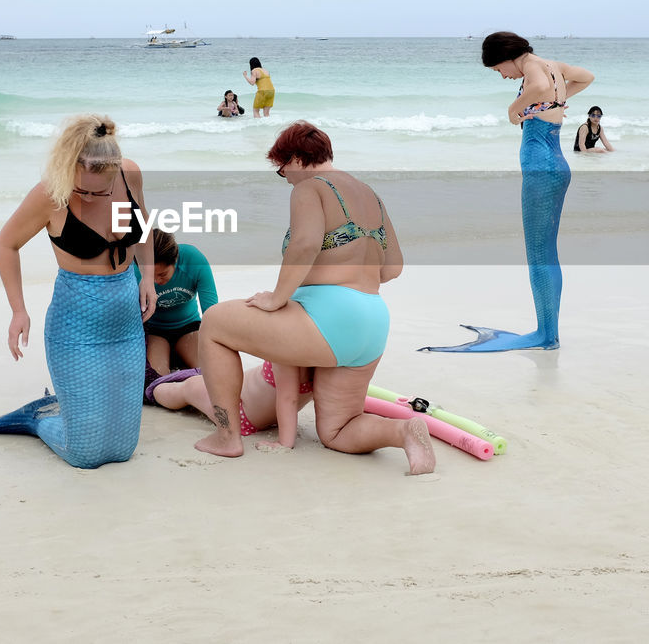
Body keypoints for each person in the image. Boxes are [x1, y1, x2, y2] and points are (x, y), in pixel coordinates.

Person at [0, 115, 157, 469]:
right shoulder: (50, 194)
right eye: (82, 190)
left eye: (99, 191)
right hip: (76, 329)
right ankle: (38, 419)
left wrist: (146, 277)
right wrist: (18, 310)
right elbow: (7, 244)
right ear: (70, 166)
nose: (89, 196)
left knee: (121, 449)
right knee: (86, 454)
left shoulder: (129, 174)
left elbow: (143, 227)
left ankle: (62, 411)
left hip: (125, 324)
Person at [191, 121, 434, 473]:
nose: (285, 176)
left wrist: (277, 297)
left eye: (282, 168)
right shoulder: (370, 194)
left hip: (329, 319)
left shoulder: (311, 187)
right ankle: (405, 431)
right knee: (336, 430)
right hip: (372, 320)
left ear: (296, 158)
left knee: (213, 322)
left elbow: (305, 245)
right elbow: (392, 268)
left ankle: (227, 437)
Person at [424, 31, 593, 353]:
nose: (503, 76)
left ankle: (546, 336)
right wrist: (558, 101)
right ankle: (547, 331)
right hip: (555, 166)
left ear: (507, 57)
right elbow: (586, 77)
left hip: (542, 169)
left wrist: (513, 109)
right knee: (545, 253)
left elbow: (540, 87)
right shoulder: (551, 64)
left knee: (539, 255)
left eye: (499, 69)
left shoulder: (531, 65)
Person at [146, 361, 314, 449]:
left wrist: (285, 443)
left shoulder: (290, 348)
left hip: (237, 411)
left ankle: (154, 390)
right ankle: (153, 390)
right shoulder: (326, 354)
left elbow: (288, 398)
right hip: (243, 403)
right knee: (190, 387)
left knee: (189, 387)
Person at [135, 228, 218, 380]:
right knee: (157, 378)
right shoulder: (136, 269)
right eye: (150, 276)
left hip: (189, 328)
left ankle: (184, 363)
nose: (156, 281)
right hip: (155, 331)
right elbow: (130, 318)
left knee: (210, 373)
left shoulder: (194, 260)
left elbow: (211, 311)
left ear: (175, 260)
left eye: (162, 274)